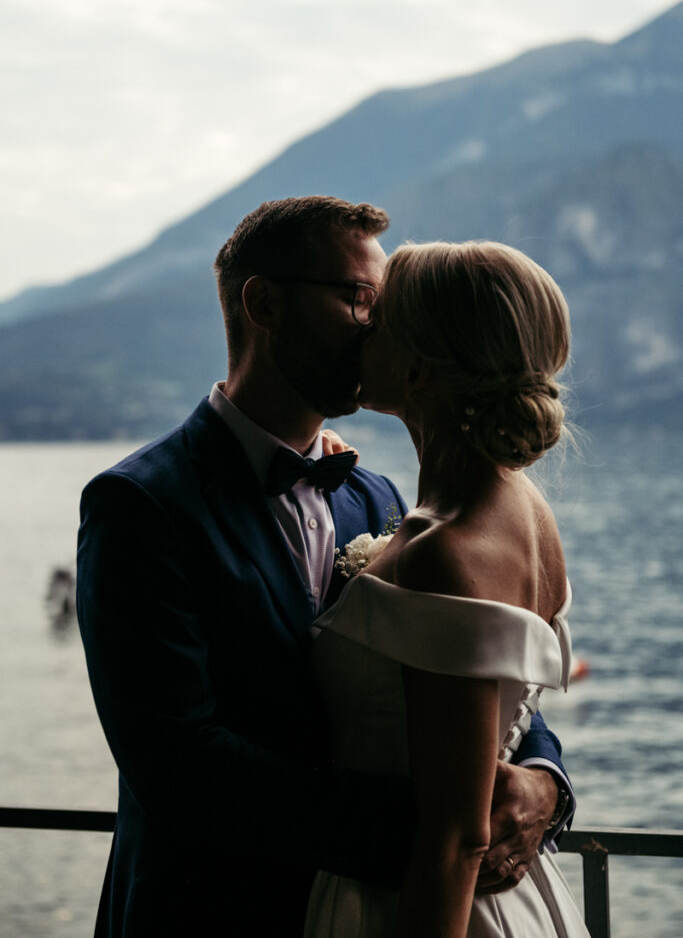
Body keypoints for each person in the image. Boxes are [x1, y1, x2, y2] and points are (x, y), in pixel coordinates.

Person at [77, 200, 573, 938]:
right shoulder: (141, 504)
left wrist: (542, 784)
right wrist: (441, 827)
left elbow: (470, 679)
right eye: (357, 298)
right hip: (212, 912)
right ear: (265, 303)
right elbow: (177, 764)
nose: (377, 325)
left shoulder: (378, 497)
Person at [304, 240, 589, 937]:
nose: (359, 332)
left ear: (418, 365)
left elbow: (455, 838)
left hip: (426, 907)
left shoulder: (445, 551)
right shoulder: (520, 506)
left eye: (379, 318)